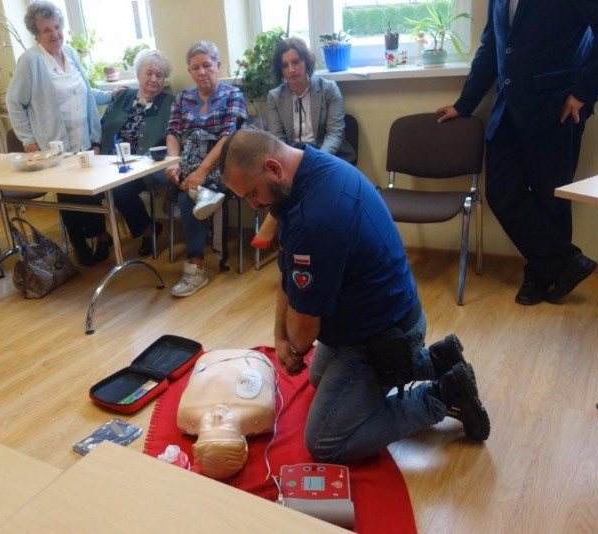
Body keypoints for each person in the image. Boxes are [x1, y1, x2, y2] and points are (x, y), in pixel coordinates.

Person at [219, 128, 490, 463]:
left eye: (252, 194)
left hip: (384, 337)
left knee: (324, 441)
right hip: (383, 316)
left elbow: (303, 334)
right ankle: (435, 361)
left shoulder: (313, 219)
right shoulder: (304, 164)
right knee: (318, 377)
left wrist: (291, 346)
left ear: (273, 168)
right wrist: (279, 335)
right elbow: (288, 270)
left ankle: (442, 395)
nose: (254, 205)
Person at [437, 1, 598, 306]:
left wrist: (583, 93)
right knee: (501, 191)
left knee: (550, 198)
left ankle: (540, 276)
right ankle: (565, 262)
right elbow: (493, 46)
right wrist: (464, 104)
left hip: (557, 108)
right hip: (507, 109)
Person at [5, 1, 117, 266]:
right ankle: (82, 244)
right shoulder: (31, 60)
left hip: (84, 140)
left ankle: (100, 236)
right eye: (47, 30)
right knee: (68, 197)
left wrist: (112, 95)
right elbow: (14, 102)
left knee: (89, 192)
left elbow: (85, 92)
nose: (54, 33)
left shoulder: (70, 53)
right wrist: (28, 140)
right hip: (54, 144)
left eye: (57, 27)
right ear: (36, 34)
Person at [253, 36, 357, 249]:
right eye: (285, 65)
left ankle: (277, 225)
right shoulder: (275, 97)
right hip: (290, 155)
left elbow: (335, 133)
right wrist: (292, 161)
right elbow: (276, 138)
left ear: (306, 62)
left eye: (296, 62)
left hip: (326, 153)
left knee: (299, 180)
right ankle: (298, 246)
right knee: (279, 176)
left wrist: (315, 160)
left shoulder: (328, 89)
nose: (291, 69)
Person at [164, 40, 249, 297]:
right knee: (163, 179)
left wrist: (201, 172)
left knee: (185, 197)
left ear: (218, 65)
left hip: (221, 161)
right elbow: (173, 132)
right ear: (189, 71)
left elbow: (228, 137)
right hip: (187, 161)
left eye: (207, 65)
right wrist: (173, 162)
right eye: (195, 67)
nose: (201, 72)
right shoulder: (183, 97)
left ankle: (196, 267)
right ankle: (200, 192)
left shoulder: (232, 95)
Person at [100, 49, 173, 256]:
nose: (154, 79)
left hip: (143, 166)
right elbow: (103, 123)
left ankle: (148, 230)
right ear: (138, 74)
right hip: (108, 161)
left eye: (159, 75)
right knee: (84, 188)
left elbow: (174, 135)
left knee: (119, 188)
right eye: (149, 73)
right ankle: (99, 235)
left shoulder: (170, 103)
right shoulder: (122, 96)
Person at [177, 349, 277, 479]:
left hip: (209, 359)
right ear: (243, 440)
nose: (217, 417)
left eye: (207, 427)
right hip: (251, 357)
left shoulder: (187, 411)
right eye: (226, 427)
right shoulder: (261, 409)